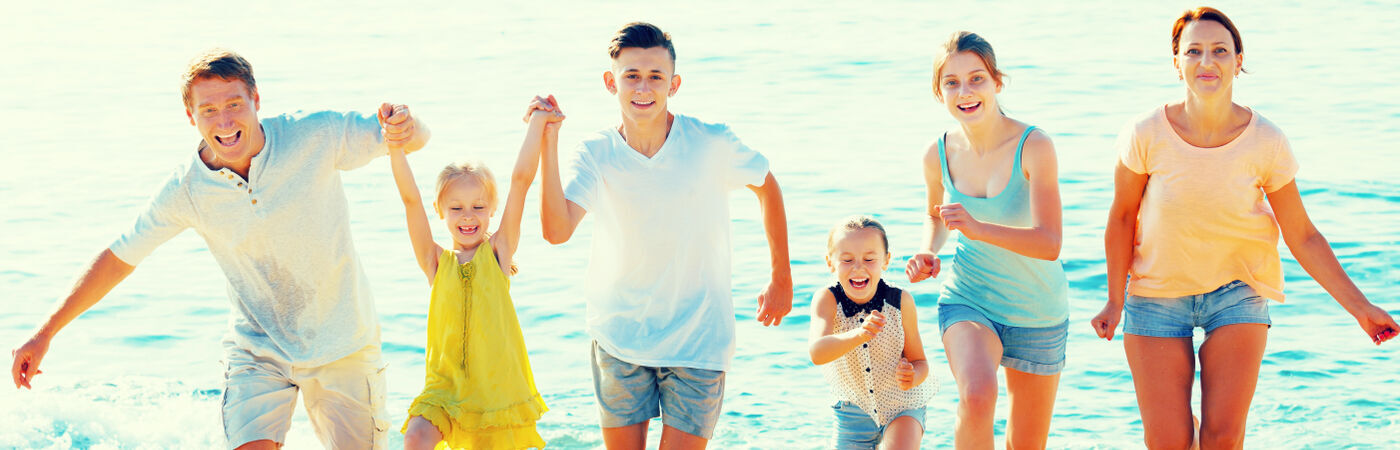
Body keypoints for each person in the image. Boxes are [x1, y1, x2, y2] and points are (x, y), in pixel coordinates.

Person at [8, 49, 429, 450]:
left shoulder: (315, 134)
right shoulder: (186, 190)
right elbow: (119, 258)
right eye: (208, 110)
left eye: (234, 104)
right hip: (258, 350)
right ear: (191, 116)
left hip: (343, 344)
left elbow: (409, 138)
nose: (224, 120)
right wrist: (45, 333)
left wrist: (407, 124)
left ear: (256, 99)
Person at [1089, 7, 1399, 448]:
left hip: (1236, 293)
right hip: (1155, 296)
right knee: (1168, 441)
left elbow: (1303, 234)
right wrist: (1113, 300)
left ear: (1238, 60)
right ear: (1176, 61)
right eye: (1193, 51)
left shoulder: (1266, 140)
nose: (1206, 61)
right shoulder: (1145, 133)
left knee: (1222, 438)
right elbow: (1121, 216)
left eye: (1219, 50)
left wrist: (1360, 308)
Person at [529, 22, 793, 449]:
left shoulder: (710, 142)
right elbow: (556, 232)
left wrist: (781, 275)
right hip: (619, 336)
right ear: (610, 82)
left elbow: (766, 185)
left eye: (656, 76)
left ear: (675, 84)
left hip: (699, 338)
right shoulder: (595, 154)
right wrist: (548, 143)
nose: (643, 87)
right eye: (631, 75)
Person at [905, 31, 1069, 449]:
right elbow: (936, 216)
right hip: (970, 298)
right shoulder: (936, 153)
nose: (965, 91)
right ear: (938, 91)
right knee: (977, 396)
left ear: (998, 82)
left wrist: (977, 228)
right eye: (952, 82)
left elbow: (1050, 243)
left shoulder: (1035, 146)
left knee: (1026, 444)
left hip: (1038, 309)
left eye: (977, 78)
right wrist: (928, 249)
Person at [392, 97, 561, 449]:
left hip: (494, 392)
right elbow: (410, 200)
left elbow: (520, 182)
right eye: (456, 208)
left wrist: (537, 124)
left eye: (478, 207)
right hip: (443, 388)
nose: (468, 216)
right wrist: (395, 146)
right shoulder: (435, 263)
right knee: (416, 436)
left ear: (491, 209)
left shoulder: (498, 253)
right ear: (440, 210)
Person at [810, 216, 934, 449]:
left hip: (902, 405)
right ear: (830, 262)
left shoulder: (900, 302)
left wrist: (912, 377)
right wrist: (859, 334)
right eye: (847, 260)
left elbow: (920, 362)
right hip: (851, 413)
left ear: (886, 261)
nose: (858, 267)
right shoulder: (826, 299)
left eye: (869, 259)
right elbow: (817, 353)